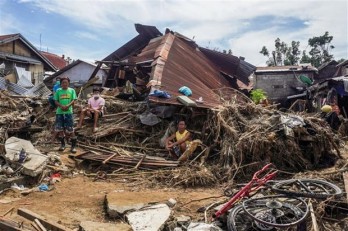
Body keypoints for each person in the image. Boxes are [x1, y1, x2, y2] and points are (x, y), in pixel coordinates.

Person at [54, 76, 78, 153]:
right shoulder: (58, 91)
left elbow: (73, 100)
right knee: (60, 129)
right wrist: (61, 106)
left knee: (70, 129)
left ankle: (73, 147)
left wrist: (68, 106)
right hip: (59, 112)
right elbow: (55, 101)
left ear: (68, 83)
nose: (65, 84)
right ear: (61, 84)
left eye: (66, 82)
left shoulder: (72, 90)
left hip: (68, 112)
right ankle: (62, 145)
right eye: (63, 82)